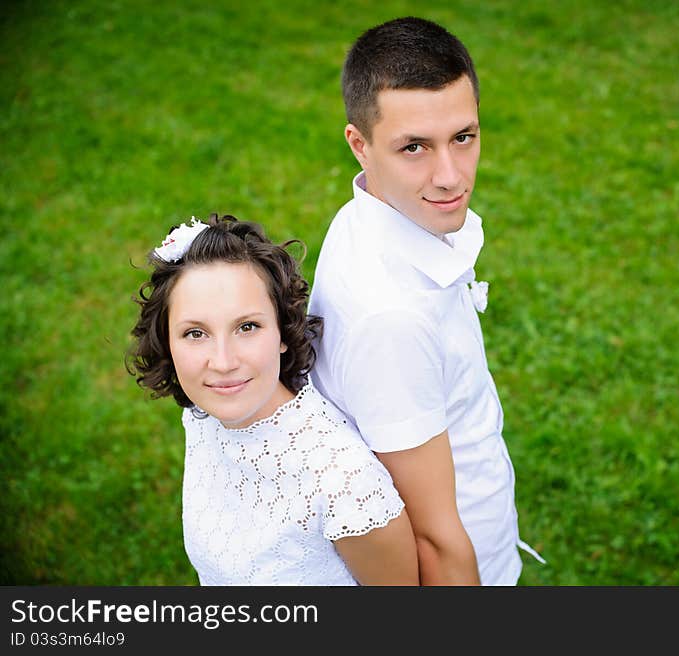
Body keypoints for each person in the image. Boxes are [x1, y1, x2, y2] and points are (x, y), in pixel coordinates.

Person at [309, 16, 544, 585]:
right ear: (358, 144)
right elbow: (433, 541)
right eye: (414, 147)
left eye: (464, 137)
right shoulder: (391, 319)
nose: (450, 176)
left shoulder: (377, 210)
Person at [126, 213, 418, 586]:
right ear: (167, 340)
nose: (223, 362)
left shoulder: (344, 482)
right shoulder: (203, 415)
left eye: (247, 327)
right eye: (195, 333)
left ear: (282, 329)